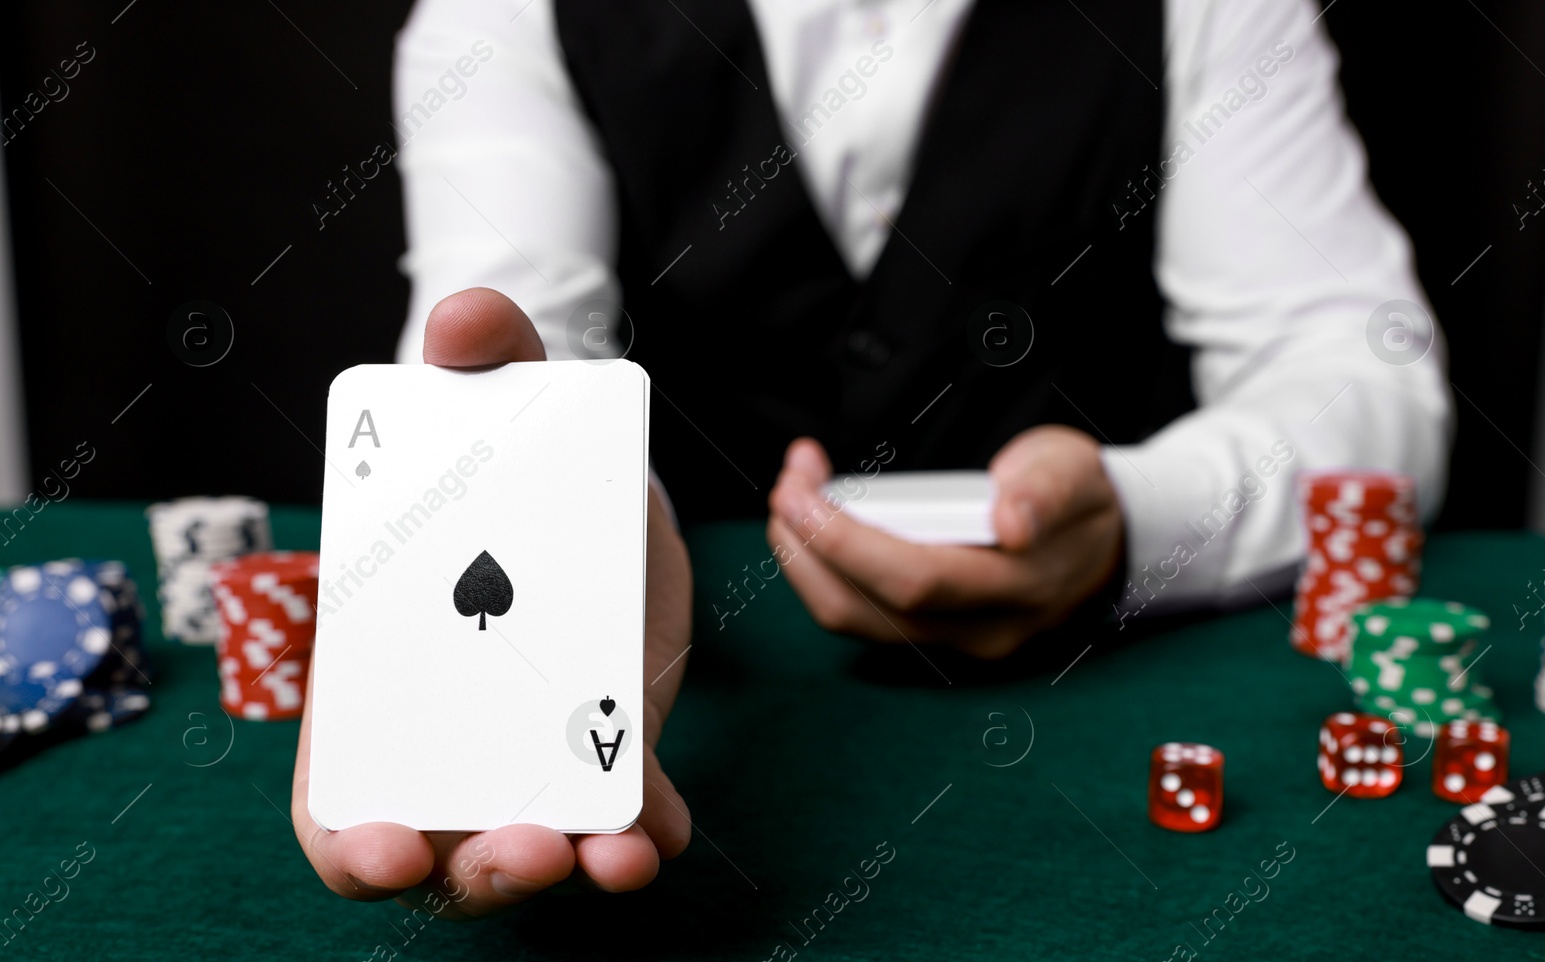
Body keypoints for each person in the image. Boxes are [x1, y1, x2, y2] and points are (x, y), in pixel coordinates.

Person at [290, 0, 1450, 915]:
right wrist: (574, 552)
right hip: (713, 631)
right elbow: (507, 363)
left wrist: (1129, 523)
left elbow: (1360, 374)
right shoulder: (503, 8)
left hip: (1082, 711)